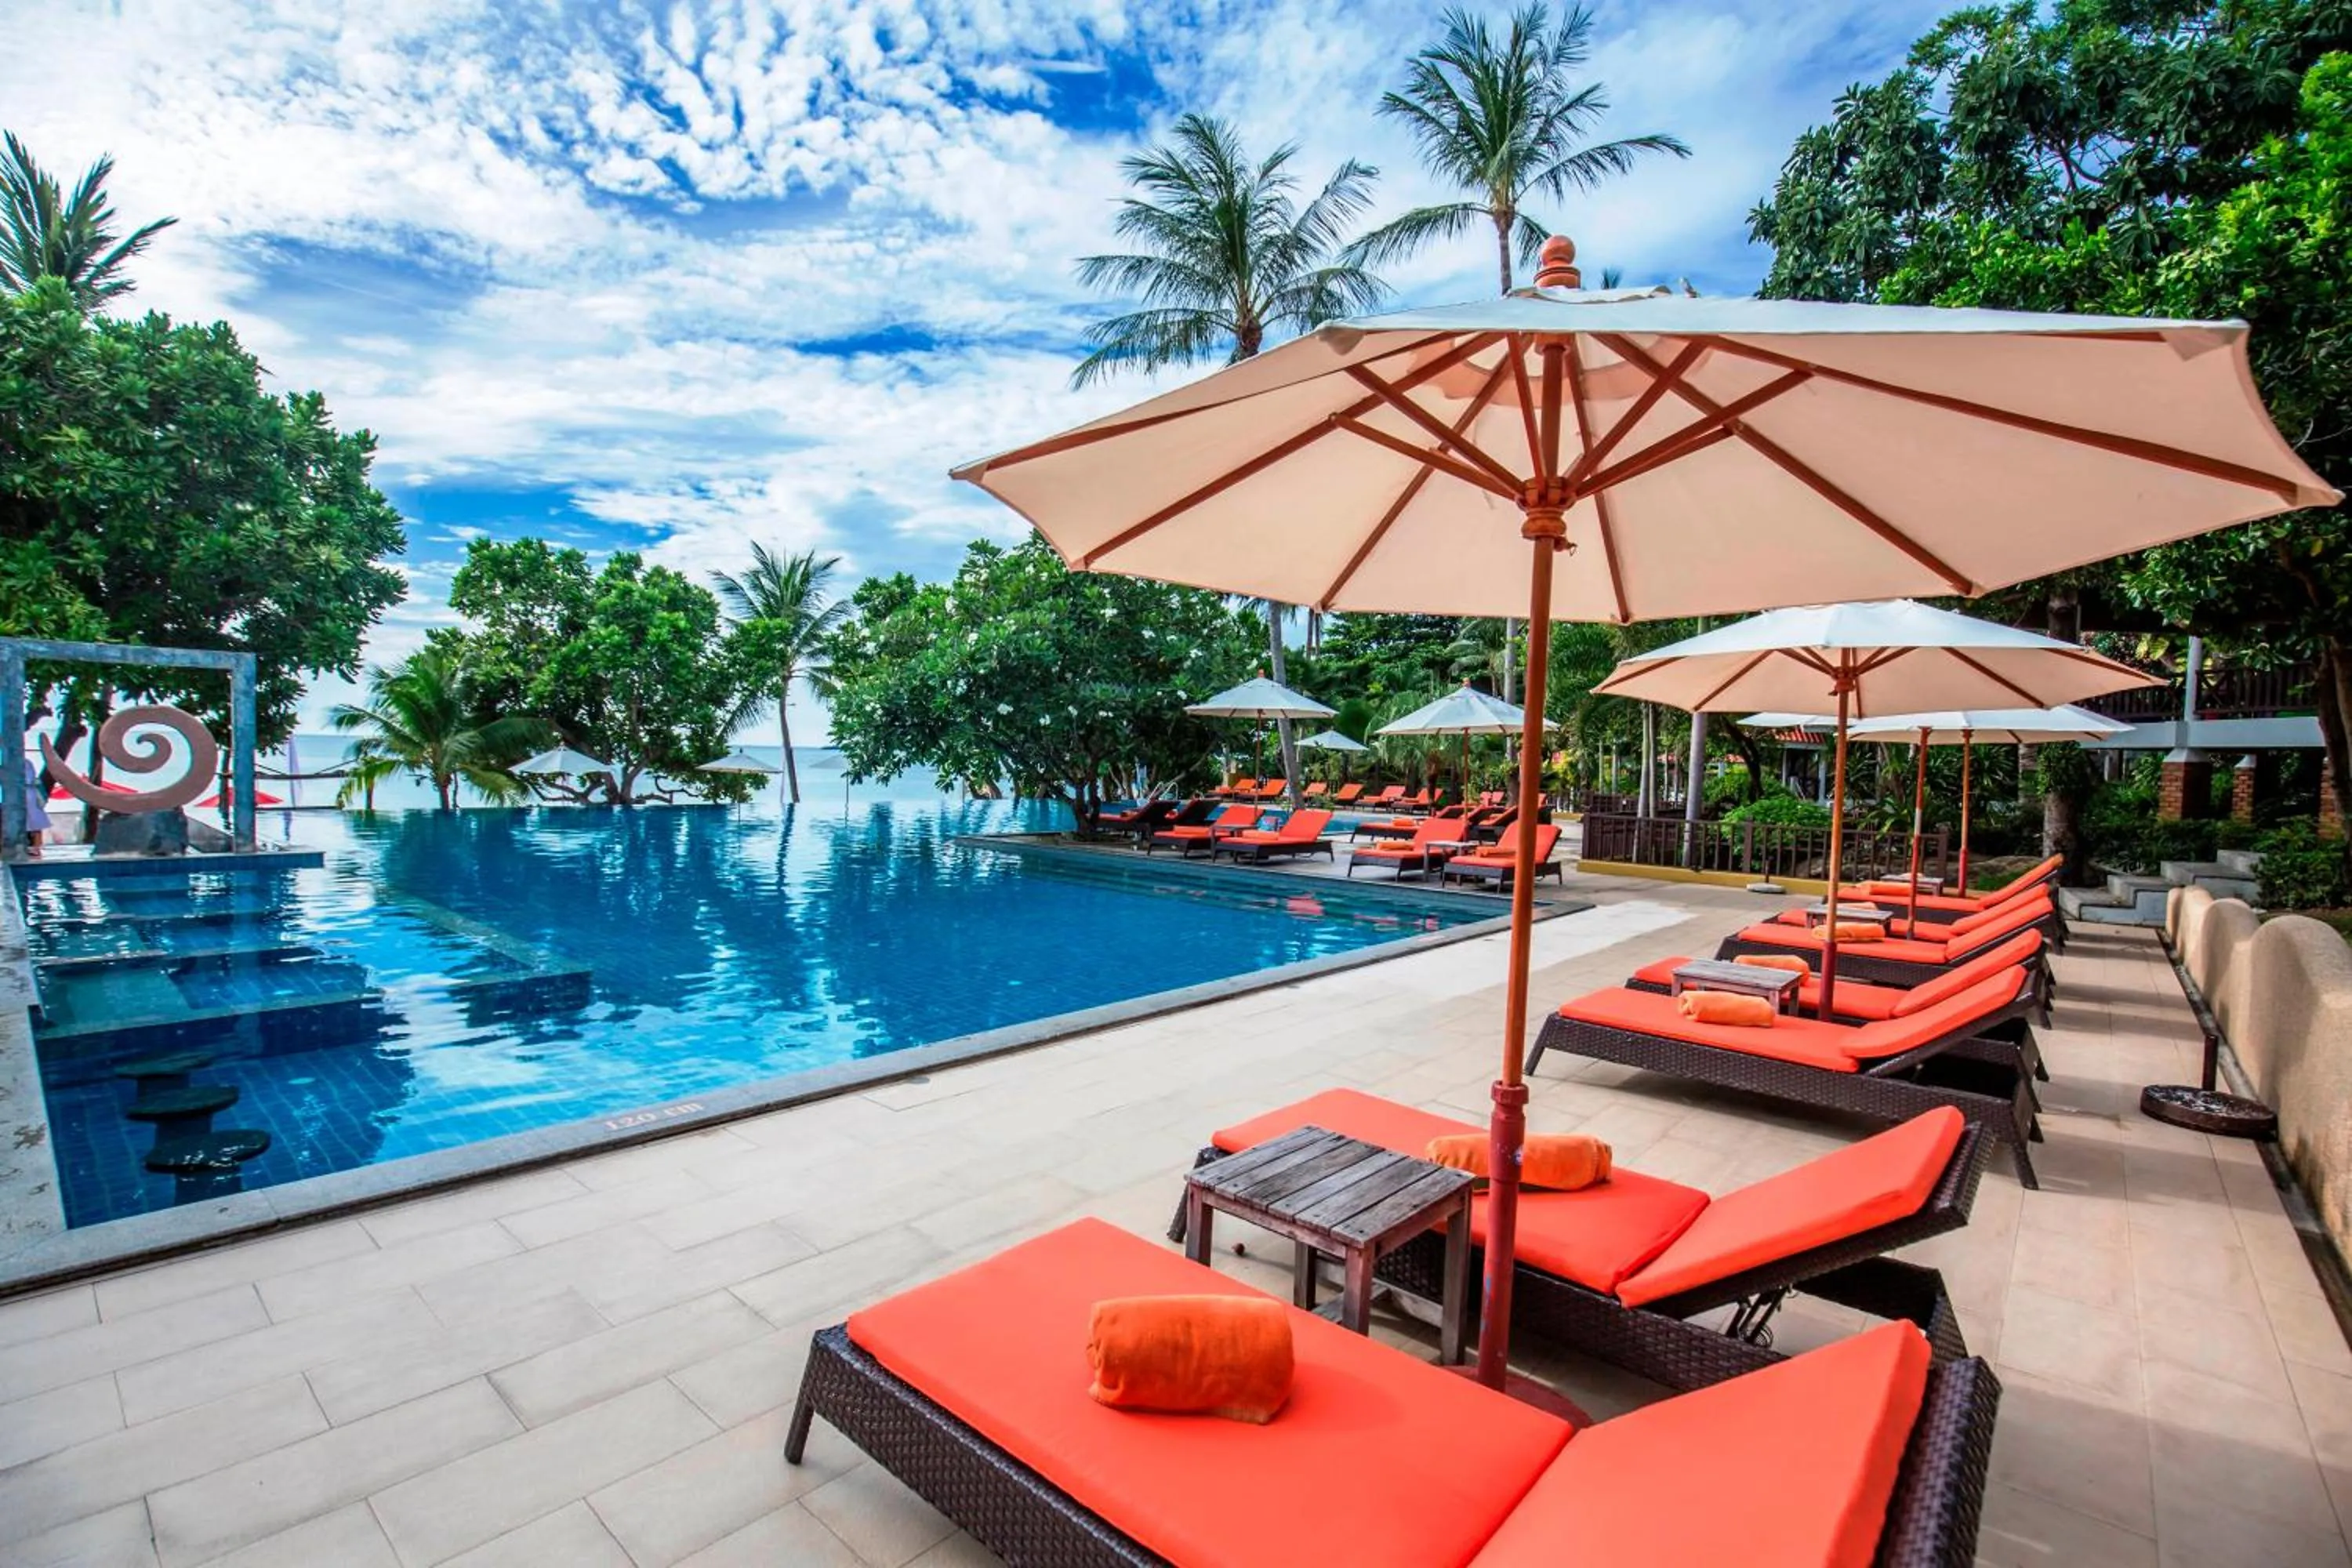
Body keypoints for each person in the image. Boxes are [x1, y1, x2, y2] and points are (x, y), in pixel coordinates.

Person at [19, 752, 48, 858]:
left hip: (28, 797)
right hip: (28, 796)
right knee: (34, 824)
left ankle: (36, 847)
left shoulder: (24, 764)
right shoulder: (26, 763)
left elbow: (29, 779)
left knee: (35, 824)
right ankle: (35, 847)